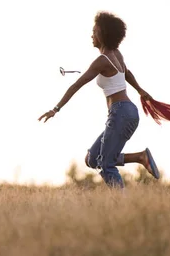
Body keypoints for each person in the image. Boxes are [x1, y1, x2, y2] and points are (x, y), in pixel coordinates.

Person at [38, 11, 160, 188]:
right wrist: (140, 90)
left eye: (95, 31)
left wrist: (55, 109)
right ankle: (140, 157)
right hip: (127, 112)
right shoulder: (117, 54)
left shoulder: (102, 61)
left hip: (120, 113)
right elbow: (127, 73)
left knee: (106, 164)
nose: (91, 35)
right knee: (92, 159)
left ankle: (122, 206)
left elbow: (76, 86)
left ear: (103, 35)